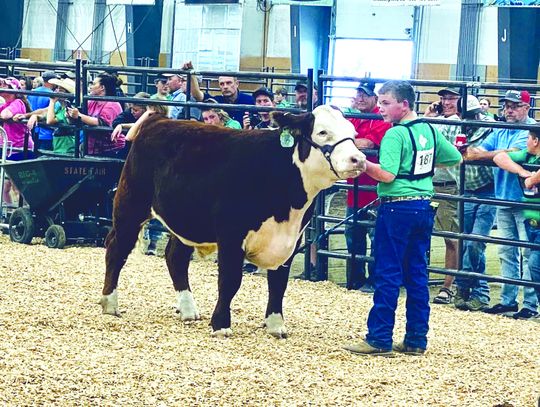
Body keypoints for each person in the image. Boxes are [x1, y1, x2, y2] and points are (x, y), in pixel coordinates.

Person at [343, 80, 462, 357]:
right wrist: (421, 169)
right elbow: (455, 156)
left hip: (396, 207)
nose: (381, 109)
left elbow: (387, 175)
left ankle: (379, 338)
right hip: (423, 206)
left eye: (386, 103)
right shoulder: (429, 129)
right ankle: (416, 339)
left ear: (404, 104)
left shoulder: (395, 135)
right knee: (417, 274)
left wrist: (362, 162)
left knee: (388, 272)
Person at [466, 89, 539, 319]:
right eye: (507, 105)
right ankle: (509, 300)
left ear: (527, 108)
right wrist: (486, 154)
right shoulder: (501, 128)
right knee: (507, 250)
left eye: (515, 105)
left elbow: (511, 152)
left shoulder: (531, 130)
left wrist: (482, 154)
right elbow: (480, 153)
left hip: (526, 201)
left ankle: (530, 303)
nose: (509, 109)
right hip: (505, 196)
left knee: (528, 253)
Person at [344, 81, 392, 292]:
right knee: (353, 234)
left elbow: (369, 144)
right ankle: (355, 278)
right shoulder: (354, 117)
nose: (361, 98)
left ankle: (374, 280)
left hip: (373, 189)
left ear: (375, 98)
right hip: (354, 187)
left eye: (366, 95)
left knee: (375, 236)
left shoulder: (380, 120)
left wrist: (346, 142)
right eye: (359, 94)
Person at [454, 95, 497, 311]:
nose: (473, 118)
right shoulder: (453, 125)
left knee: (474, 242)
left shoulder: (488, 126)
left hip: (488, 190)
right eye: (469, 115)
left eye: (475, 114)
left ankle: (474, 289)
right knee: (466, 243)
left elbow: (479, 152)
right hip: (466, 189)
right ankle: (469, 290)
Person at [493, 129, 540, 319]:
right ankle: (514, 301)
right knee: (528, 258)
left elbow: (530, 183)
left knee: (533, 261)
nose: (526, 141)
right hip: (532, 216)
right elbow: (500, 157)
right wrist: (522, 171)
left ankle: (530, 304)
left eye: (528, 138)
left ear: (535, 140)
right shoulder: (527, 155)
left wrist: (531, 179)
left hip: (532, 214)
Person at [424, 87, 462, 305]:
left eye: (451, 98)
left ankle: (448, 286)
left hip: (448, 185)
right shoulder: (435, 120)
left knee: (450, 237)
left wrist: (429, 119)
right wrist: (429, 116)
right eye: (443, 98)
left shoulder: (457, 122)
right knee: (422, 234)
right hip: (430, 183)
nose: (446, 102)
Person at [67, 72, 123, 156]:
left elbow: (100, 123)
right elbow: (82, 117)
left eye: (93, 84)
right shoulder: (91, 101)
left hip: (110, 148)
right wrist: (71, 115)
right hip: (92, 147)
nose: (91, 87)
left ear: (102, 87)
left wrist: (79, 115)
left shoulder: (112, 104)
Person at [0, 77, 33, 204]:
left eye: (6, 87)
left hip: (19, 149)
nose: (3, 89)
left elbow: (5, 115)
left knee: (17, 186)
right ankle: (9, 212)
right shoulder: (6, 104)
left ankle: (26, 211)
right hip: (9, 149)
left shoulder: (18, 103)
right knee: (5, 186)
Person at [26, 70, 59, 151]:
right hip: (46, 134)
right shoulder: (53, 96)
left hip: (31, 130)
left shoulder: (32, 93)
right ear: (52, 81)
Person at [46, 77, 77, 155]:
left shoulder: (68, 109)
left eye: (61, 90)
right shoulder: (60, 108)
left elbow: (49, 121)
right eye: (57, 89)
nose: (57, 92)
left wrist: (52, 102)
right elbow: (44, 113)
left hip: (67, 150)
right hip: (60, 148)